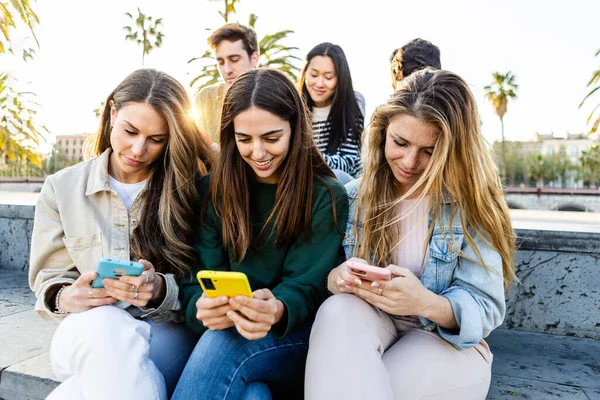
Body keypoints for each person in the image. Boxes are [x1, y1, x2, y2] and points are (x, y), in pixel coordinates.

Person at [305, 69, 516, 399]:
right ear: (382, 133)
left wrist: (424, 301)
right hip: (373, 324)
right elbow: (324, 277)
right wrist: (339, 278)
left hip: (444, 342)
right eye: (399, 142)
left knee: (369, 387)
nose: (409, 161)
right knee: (337, 310)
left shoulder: (473, 204)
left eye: (429, 151)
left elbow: (485, 307)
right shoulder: (354, 196)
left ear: (454, 150)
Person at [29, 69, 214, 400]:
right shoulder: (62, 188)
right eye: (130, 131)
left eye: (156, 140)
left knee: (72, 394)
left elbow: (203, 277)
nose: (138, 149)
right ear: (112, 113)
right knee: (105, 327)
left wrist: (159, 289)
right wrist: (65, 296)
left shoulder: (190, 189)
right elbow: (49, 278)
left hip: (163, 332)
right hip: (84, 330)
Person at [172, 68, 349, 400]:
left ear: (295, 129)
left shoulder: (325, 195)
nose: (257, 152)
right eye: (244, 139)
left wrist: (278, 307)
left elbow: (307, 287)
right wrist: (201, 305)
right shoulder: (211, 190)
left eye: (271, 138)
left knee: (227, 342)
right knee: (253, 396)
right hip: (228, 333)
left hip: (294, 336)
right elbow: (196, 275)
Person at [299, 42, 365, 183]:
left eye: (328, 77)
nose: (320, 83)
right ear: (305, 74)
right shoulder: (295, 106)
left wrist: (305, 155)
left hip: (345, 183)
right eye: (314, 75)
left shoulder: (354, 103)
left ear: (340, 78)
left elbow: (348, 163)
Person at [195, 23, 259, 145]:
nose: (227, 70)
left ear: (254, 59)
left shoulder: (274, 97)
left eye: (234, 59)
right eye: (221, 62)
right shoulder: (205, 99)